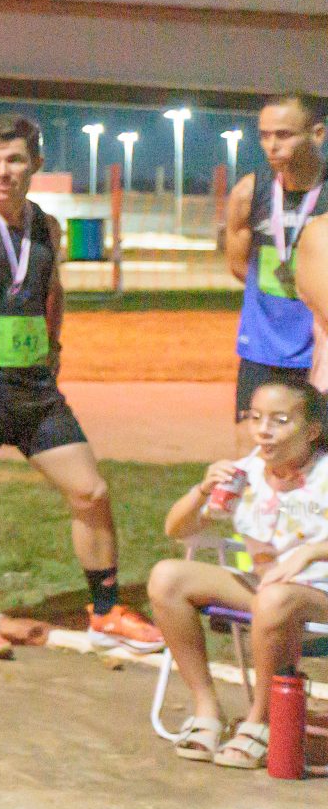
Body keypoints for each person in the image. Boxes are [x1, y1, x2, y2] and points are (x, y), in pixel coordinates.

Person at [0, 114, 160, 659]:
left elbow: (50, 290)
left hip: (34, 391)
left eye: (15, 160)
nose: (3, 171)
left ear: (35, 164)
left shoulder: (45, 226)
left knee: (90, 492)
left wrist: (53, 347)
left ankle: (106, 610)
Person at [149, 377, 328, 768]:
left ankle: (261, 720)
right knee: (167, 577)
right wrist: (202, 490)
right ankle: (207, 709)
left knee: (275, 597)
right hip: (267, 589)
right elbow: (177, 530)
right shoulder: (246, 472)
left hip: (319, 594)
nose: (263, 430)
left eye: (280, 420)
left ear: (312, 430)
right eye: (256, 417)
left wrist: (312, 552)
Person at [223, 93, 328, 421]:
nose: (272, 145)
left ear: (318, 134)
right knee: (254, 443)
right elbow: (238, 266)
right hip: (261, 351)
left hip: (319, 354)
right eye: (265, 135)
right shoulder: (248, 193)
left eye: (284, 135)